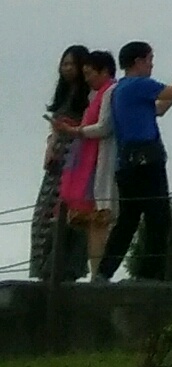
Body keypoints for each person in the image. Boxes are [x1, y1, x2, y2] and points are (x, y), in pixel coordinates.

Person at [97, 41, 172, 281]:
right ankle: (151, 275)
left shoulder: (121, 90)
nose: (152, 64)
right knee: (158, 220)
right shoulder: (140, 84)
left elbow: (160, 108)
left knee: (128, 220)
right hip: (147, 162)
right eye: (149, 59)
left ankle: (104, 271)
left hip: (127, 164)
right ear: (138, 61)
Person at [30, 47, 90, 282]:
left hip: (75, 157)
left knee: (65, 214)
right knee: (43, 216)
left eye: (71, 64)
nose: (66, 69)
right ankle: (43, 267)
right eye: (64, 64)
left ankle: (64, 268)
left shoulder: (87, 97)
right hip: (57, 157)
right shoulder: (64, 94)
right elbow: (54, 127)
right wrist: (50, 145)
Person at [57, 50, 118, 280]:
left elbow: (104, 127)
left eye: (90, 73)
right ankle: (96, 271)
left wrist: (74, 131)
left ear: (104, 71)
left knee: (100, 218)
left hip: (100, 161)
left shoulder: (110, 92)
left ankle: (98, 273)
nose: (87, 78)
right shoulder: (95, 95)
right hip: (90, 160)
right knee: (94, 220)